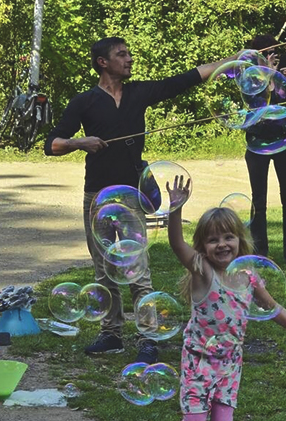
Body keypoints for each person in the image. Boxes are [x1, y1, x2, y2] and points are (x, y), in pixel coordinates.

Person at [44, 37, 234, 364]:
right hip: (97, 197)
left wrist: (232, 61)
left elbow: (186, 79)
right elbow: (52, 145)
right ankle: (111, 334)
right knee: (104, 270)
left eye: (129, 54)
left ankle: (148, 335)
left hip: (131, 196)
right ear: (103, 62)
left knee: (137, 270)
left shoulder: (138, 93)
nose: (129, 59)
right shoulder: (85, 101)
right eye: (122, 55)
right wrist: (81, 141)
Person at [158, 175, 286, 421]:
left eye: (228, 237)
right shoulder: (203, 272)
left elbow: (272, 308)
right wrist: (175, 210)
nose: (222, 244)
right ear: (202, 247)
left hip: (229, 365)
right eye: (213, 239)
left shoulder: (248, 278)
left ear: (239, 240)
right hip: (198, 362)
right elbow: (176, 245)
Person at [243, 35, 286, 268]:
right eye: (267, 52)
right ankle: (260, 253)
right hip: (257, 144)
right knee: (259, 201)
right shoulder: (249, 78)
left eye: (274, 51)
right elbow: (258, 104)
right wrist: (268, 73)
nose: (272, 56)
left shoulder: (280, 77)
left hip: (283, 142)